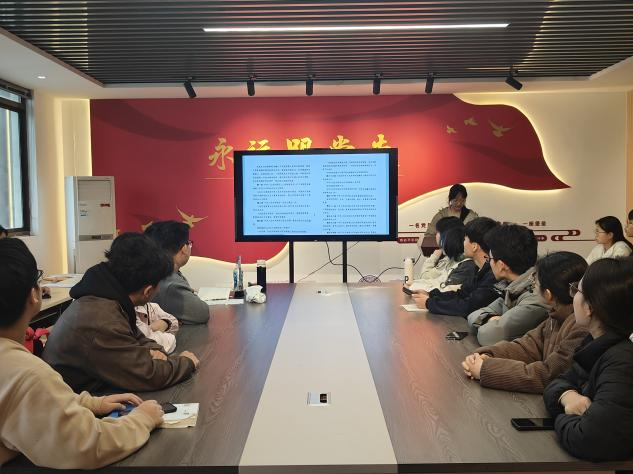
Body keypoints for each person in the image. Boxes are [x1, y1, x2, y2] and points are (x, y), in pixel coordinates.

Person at [0, 238, 164, 469]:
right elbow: (87, 445)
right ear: (33, 295)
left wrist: (90, 403)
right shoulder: (27, 374)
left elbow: (29, 400)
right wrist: (143, 419)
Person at [43, 233, 199, 393]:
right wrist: (186, 362)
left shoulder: (107, 298)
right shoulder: (102, 318)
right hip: (80, 401)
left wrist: (157, 352)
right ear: (147, 291)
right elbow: (147, 375)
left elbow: (137, 338)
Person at [543, 257, 633, 462]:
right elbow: (557, 382)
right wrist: (567, 396)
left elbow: (591, 440)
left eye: (576, 290)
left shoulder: (622, 362)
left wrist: (561, 417)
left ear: (590, 307)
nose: (573, 296)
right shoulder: (596, 344)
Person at [462, 251, 588, 393]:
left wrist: (485, 369)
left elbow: (547, 375)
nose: (533, 288)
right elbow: (527, 346)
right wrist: (487, 356)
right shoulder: (556, 315)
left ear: (548, 294)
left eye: (535, 283)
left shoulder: (581, 325)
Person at [467, 224, 549, 346]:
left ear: (501, 265)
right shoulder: (513, 288)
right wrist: (490, 319)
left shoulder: (536, 298)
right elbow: (473, 315)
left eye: (490, 259)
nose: (489, 264)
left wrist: (488, 321)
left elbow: (489, 336)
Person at [413, 217, 500, 316]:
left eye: (465, 239)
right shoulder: (482, 270)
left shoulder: (491, 274)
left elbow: (467, 306)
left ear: (474, 246)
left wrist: (429, 303)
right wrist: (431, 295)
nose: (462, 243)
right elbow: (461, 293)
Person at [144, 221, 210, 324]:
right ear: (184, 248)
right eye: (189, 243)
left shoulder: (153, 271)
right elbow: (202, 313)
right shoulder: (170, 283)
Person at [411, 217, 476, 292]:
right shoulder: (450, 258)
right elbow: (436, 281)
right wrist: (414, 284)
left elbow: (445, 289)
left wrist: (434, 257)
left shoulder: (466, 264)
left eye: (437, 232)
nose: (436, 236)